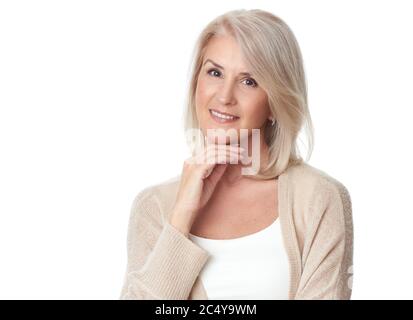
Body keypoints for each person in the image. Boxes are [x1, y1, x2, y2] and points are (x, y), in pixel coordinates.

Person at [120, 9, 353, 300]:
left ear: (275, 102)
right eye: (215, 73)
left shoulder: (318, 198)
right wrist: (180, 218)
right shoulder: (154, 206)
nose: (224, 96)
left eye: (249, 81)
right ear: (196, 83)